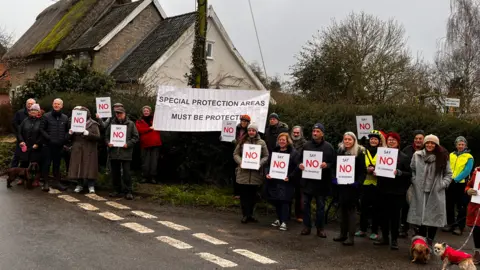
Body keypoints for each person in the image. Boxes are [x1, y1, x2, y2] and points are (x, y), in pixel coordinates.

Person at [408, 134, 452, 246]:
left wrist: (442, 184)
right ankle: (422, 243)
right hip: (420, 191)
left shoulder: (442, 157)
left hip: (436, 192)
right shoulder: (417, 155)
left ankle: (430, 241)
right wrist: (414, 180)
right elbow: (412, 169)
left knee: (434, 218)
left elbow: (448, 174)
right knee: (421, 218)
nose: (430, 145)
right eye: (428, 142)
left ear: (436, 145)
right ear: (424, 143)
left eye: (433, 143)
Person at [373, 132, 411, 250]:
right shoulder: (381, 154)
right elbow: (379, 168)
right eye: (389, 140)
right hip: (382, 189)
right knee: (383, 215)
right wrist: (375, 171)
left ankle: (394, 240)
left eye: (394, 140)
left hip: (397, 192)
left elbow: (410, 174)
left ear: (398, 142)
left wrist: (399, 173)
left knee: (395, 217)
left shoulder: (404, 157)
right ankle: (385, 237)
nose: (391, 142)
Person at [298, 123, 335, 238]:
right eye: (314, 131)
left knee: (320, 206)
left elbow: (334, 163)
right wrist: (300, 165)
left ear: (322, 133)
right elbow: (299, 160)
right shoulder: (306, 146)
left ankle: (320, 228)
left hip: (321, 183)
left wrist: (326, 165)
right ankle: (307, 226)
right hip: (308, 182)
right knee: (306, 205)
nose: (315, 133)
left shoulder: (329, 147)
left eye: (318, 131)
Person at [333, 132, 366, 246]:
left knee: (351, 212)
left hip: (353, 187)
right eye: (345, 139)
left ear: (354, 141)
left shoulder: (359, 153)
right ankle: (342, 234)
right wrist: (334, 178)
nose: (347, 141)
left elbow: (363, 171)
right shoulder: (340, 151)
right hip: (342, 186)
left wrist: (358, 182)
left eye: (349, 139)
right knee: (342, 211)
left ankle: (351, 237)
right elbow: (334, 166)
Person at [233, 122, 269, 224]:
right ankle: (245, 215)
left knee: (253, 196)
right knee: (244, 196)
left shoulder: (262, 143)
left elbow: (266, 156)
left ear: (256, 131)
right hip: (243, 173)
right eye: (249, 130)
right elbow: (235, 154)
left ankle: (251, 215)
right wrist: (241, 162)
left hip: (255, 174)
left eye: (253, 130)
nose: (251, 132)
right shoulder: (242, 141)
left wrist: (260, 164)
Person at [265, 132, 299, 231]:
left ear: (287, 141)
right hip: (275, 179)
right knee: (277, 200)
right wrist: (267, 173)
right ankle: (279, 219)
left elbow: (297, 167)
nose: (281, 141)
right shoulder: (275, 151)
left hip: (286, 181)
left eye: (283, 140)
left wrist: (290, 177)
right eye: (280, 140)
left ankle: (284, 221)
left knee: (285, 201)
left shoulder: (293, 152)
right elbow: (268, 165)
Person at [356, 130, 384, 240]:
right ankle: (362, 229)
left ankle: (374, 231)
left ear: (379, 141)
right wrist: (365, 170)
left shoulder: (383, 152)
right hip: (366, 183)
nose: (373, 140)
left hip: (377, 183)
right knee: (363, 207)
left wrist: (378, 170)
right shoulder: (363, 151)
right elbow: (359, 166)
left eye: (375, 139)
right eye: (371, 139)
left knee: (376, 208)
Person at [105, 107, 139, 200]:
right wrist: (108, 143)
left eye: (120, 113)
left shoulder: (131, 124)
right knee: (115, 173)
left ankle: (128, 191)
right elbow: (106, 136)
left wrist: (128, 144)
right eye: (117, 113)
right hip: (114, 152)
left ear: (124, 113)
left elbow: (136, 137)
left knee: (126, 173)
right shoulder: (112, 124)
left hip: (126, 153)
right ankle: (116, 190)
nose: (118, 115)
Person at [443, 136, 474, 236]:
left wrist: (456, 179)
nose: (460, 146)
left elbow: (467, 171)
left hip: (461, 184)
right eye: (459, 144)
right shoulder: (451, 155)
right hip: (450, 182)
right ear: (456, 145)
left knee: (461, 206)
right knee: (449, 204)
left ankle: (459, 227)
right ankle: (450, 224)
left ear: (465, 145)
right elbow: (447, 167)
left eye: (462, 144)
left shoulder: (469, 157)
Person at [68, 106, 101, 194]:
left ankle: (91, 185)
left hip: (89, 148)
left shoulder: (93, 124)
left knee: (90, 167)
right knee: (79, 166)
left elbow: (98, 137)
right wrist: (70, 133)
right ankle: (79, 184)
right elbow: (70, 138)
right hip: (78, 147)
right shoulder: (74, 123)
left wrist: (88, 133)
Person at [400, 130, 425, 238]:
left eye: (420, 138)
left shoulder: (427, 150)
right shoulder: (407, 149)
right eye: (416, 138)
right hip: (407, 181)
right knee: (405, 205)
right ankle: (403, 227)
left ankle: (418, 228)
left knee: (419, 206)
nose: (418, 140)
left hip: (421, 183)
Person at [41, 98, 69, 191]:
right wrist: (49, 138)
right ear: (52, 105)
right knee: (47, 164)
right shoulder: (46, 116)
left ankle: (57, 183)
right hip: (48, 145)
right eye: (55, 103)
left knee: (57, 165)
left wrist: (64, 139)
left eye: (58, 104)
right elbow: (42, 129)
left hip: (59, 146)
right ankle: (46, 183)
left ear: (62, 106)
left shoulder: (65, 118)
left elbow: (67, 131)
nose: (56, 105)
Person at [17, 104, 44, 189]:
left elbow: (42, 134)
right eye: (31, 110)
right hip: (26, 145)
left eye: (35, 110)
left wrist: (38, 143)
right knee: (23, 163)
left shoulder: (41, 121)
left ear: (38, 112)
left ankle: (36, 180)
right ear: (29, 111)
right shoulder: (25, 120)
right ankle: (22, 178)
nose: (33, 112)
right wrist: (21, 141)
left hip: (36, 146)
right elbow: (19, 132)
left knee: (35, 164)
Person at [135, 105, 162, 184]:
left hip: (155, 143)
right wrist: (149, 129)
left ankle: (153, 177)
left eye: (147, 111)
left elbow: (160, 126)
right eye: (144, 111)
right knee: (145, 161)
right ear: (142, 112)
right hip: (145, 143)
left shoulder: (155, 119)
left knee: (154, 161)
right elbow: (139, 130)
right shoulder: (139, 121)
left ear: (150, 111)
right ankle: (145, 177)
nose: (146, 112)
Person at [11, 98, 36, 168]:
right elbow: (14, 124)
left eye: (32, 104)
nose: (30, 105)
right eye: (29, 103)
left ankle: (22, 174)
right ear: (26, 104)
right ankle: (12, 171)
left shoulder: (37, 114)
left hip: (30, 140)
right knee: (17, 156)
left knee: (26, 157)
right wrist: (19, 135)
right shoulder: (20, 113)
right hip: (21, 139)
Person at [291, 125, 307, 222]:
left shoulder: (305, 144)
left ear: (301, 133)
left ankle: (299, 215)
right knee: (287, 193)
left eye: (298, 133)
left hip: (300, 172)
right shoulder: (288, 142)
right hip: (289, 170)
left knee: (299, 195)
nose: (296, 134)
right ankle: (286, 214)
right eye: (294, 132)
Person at [464, 167, 480, 264]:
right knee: (477, 231)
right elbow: (468, 185)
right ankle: (477, 252)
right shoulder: (477, 172)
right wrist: (468, 190)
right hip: (476, 208)